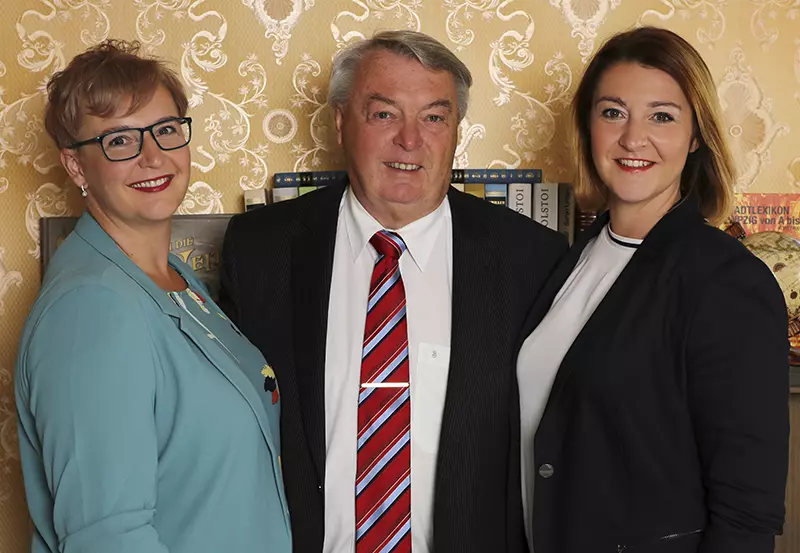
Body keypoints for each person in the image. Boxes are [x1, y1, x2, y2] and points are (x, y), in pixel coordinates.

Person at [220, 30, 567, 553]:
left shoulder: (531, 259)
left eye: (434, 117)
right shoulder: (261, 250)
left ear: (455, 130)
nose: (411, 140)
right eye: (384, 114)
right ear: (340, 122)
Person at [516, 26, 789, 553]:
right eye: (612, 112)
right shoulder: (571, 259)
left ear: (696, 136)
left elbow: (747, 512)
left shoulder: (727, 283)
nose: (633, 138)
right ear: (587, 126)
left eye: (661, 116)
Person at [14, 40, 291, 553]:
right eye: (119, 140)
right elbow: (108, 539)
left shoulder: (174, 279)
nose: (153, 156)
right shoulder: (91, 310)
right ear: (76, 167)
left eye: (165, 130)